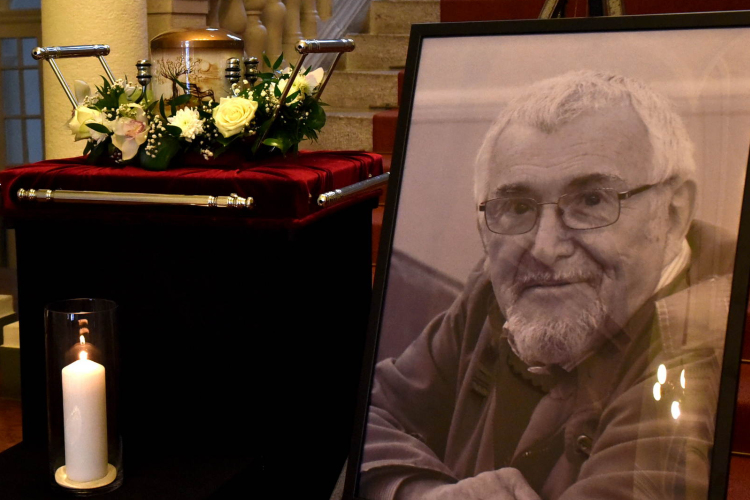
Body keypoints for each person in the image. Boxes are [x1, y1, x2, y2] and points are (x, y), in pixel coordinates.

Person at [358, 71, 735, 500]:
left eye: (591, 200)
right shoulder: (494, 295)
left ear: (673, 212)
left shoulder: (699, 354)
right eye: (518, 206)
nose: (545, 248)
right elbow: (372, 413)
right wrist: (421, 493)